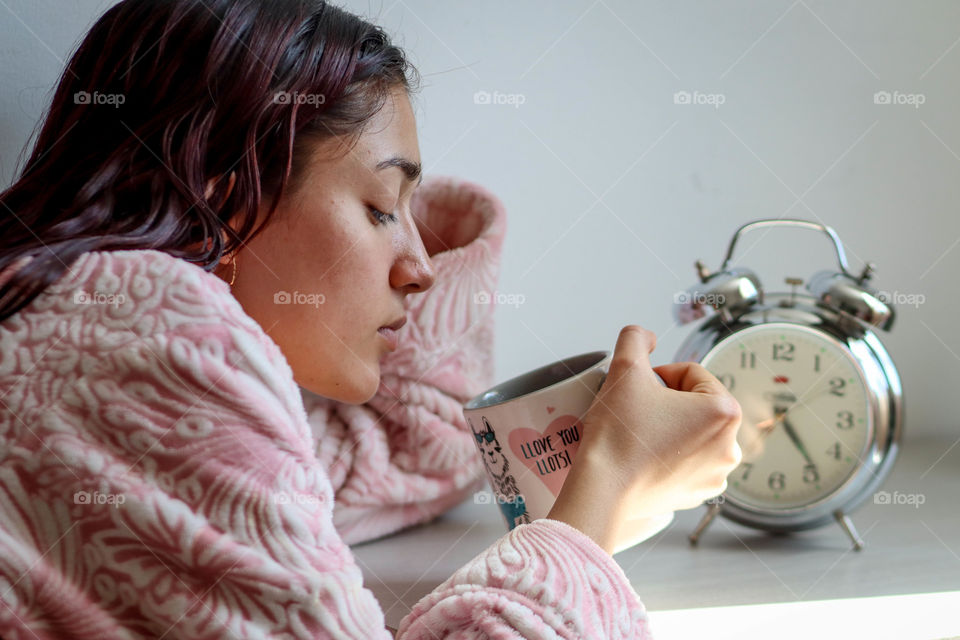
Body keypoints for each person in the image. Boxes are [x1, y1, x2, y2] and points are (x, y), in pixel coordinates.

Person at [0, 1, 742, 638]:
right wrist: (605, 486)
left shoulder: (69, 317)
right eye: (383, 207)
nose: (423, 267)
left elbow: (424, 452)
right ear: (224, 199)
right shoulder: (156, 332)